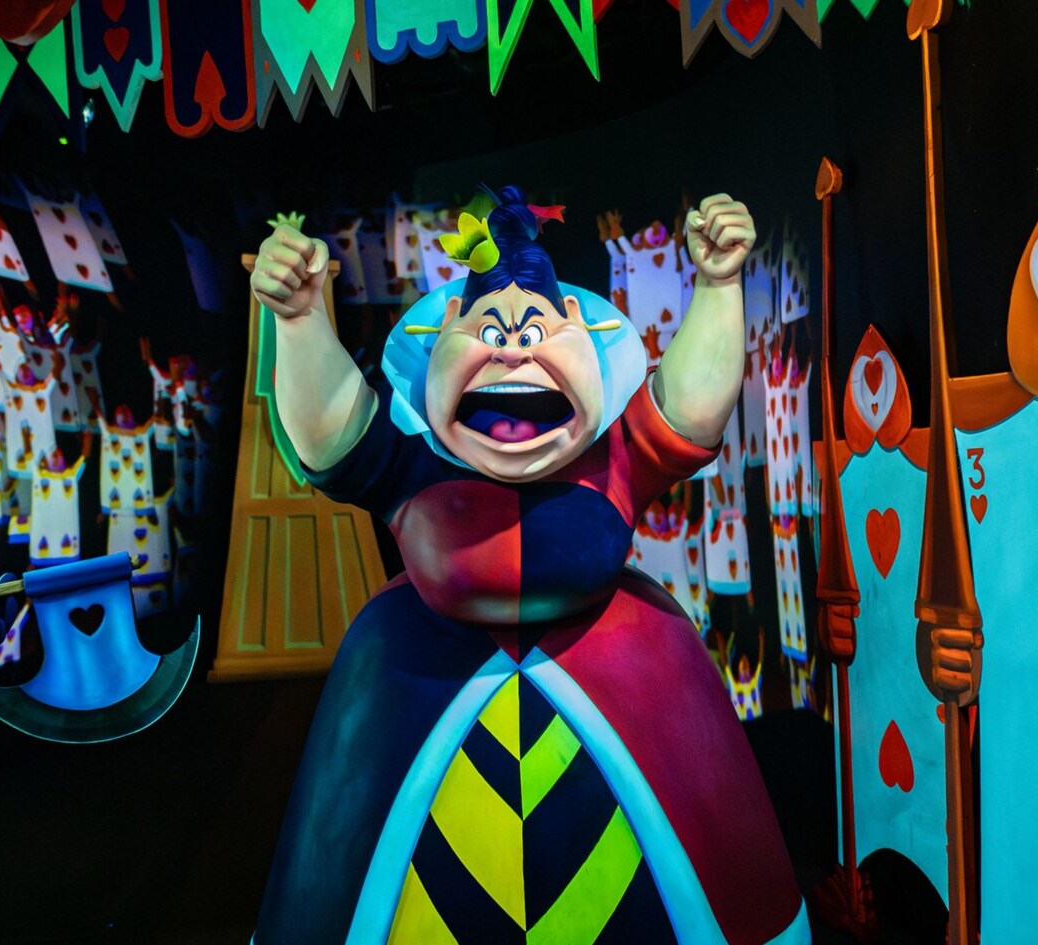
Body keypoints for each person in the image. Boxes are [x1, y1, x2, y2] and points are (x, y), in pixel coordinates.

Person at [248, 187, 810, 944]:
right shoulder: (411, 465)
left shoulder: (614, 456)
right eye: (487, 329)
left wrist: (716, 284)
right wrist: (300, 320)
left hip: (623, 695)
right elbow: (329, 437)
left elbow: (690, 409)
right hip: (419, 701)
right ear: (440, 339)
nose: (513, 348)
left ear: (583, 336)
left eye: (537, 329)